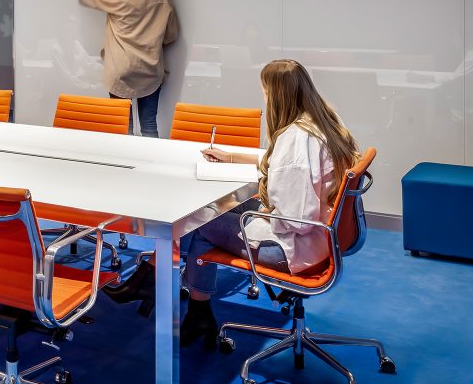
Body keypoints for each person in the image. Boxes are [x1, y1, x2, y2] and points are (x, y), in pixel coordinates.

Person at [106, 59, 360, 348]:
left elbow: (293, 218)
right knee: (211, 215)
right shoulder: (316, 126)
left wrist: (263, 214)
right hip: (320, 239)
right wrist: (233, 157)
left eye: (265, 91)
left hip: (290, 248)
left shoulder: (295, 142)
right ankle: (180, 298)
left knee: (196, 220)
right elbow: (281, 166)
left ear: (278, 95)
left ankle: (155, 281)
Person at [73, 0, 178, 137]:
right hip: (150, 71)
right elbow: (171, 35)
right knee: (148, 126)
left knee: (122, 129)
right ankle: (149, 166)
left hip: (120, 70)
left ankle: (124, 167)